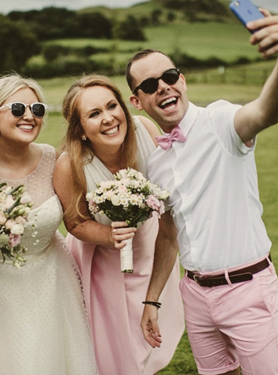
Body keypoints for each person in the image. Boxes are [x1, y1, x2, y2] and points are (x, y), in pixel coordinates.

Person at [126, 9, 278, 375]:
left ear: (182, 80)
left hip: (247, 288)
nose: (163, 86)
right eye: (149, 85)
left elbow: (267, 111)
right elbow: (169, 235)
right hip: (196, 295)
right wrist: (153, 299)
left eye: (169, 76)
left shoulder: (221, 123)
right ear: (137, 101)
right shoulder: (155, 163)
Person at [0, 74, 98, 375]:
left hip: (50, 285)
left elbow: (76, 220)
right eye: (18, 108)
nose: (29, 116)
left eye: (36, 109)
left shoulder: (54, 159)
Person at [53, 75, 185, 375]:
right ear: (81, 130)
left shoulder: (145, 131)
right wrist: (106, 234)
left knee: (149, 337)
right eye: (94, 114)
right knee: (114, 351)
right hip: (102, 264)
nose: (109, 118)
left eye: (112, 106)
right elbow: (74, 222)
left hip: (152, 251)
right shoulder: (70, 163)